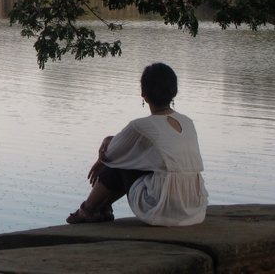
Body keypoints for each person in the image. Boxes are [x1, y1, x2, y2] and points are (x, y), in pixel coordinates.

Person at [66, 63, 208, 226]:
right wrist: (110, 141)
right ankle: (103, 206)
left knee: (123, 162)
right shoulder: (188, 122)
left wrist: (104, 151)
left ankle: (88, 208)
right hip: (193, 208)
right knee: (136, 157)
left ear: (143, 93)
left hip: (161, 208)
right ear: (174, 92)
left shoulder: (140, 126)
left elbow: (110, 155)